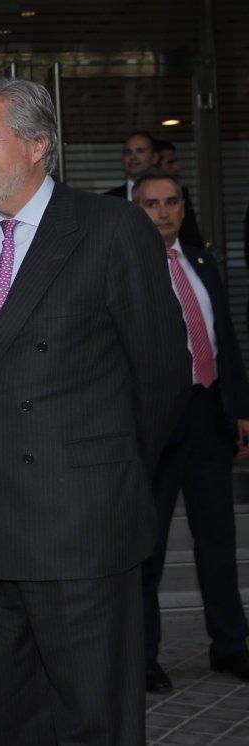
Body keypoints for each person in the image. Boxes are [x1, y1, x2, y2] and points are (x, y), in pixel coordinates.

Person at [0, 77, 189, 744]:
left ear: (40, 144)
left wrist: (107, 475)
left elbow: (162, 375)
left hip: (81, 523)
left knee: (92, 717)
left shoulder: (110, 228)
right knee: (8, 718)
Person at [134, 171, 249, 690]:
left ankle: (230, 646)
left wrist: (240, 409)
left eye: (171, 202)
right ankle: (143, 658)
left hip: (209, 421)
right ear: (136, 211)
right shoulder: (129, 271)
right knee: (149, 549)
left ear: (184, 207)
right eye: (151, 204)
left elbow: (226, 339)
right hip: (156, 428)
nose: (162, 212)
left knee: (218, 543)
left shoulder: (202, 261)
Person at [151, 139, 204, 247]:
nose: (177, 167)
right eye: (170, 162)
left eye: (171, 202)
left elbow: (191, 234)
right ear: (155, 163)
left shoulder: (182, 192)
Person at [104, 132, 159, 200]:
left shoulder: (167, 192)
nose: (132, 157)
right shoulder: (109, 199)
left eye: (140, 151)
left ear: (154, 158)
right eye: (128, 152)